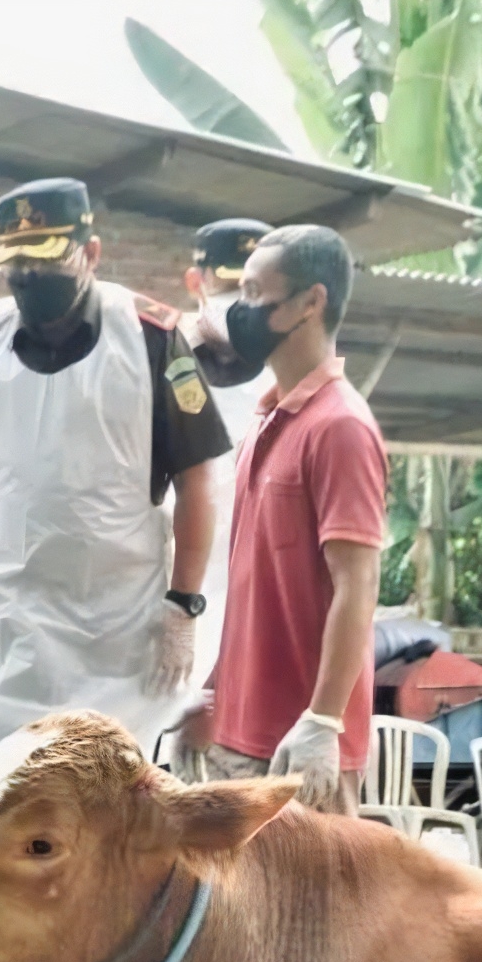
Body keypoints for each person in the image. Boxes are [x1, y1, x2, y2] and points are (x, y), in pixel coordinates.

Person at [0, 177, 230, 828]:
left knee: (98, 814)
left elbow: (196, 481)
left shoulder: (150, 340)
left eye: (48, 257)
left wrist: (183, 605)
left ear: (90, 252)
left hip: (112, 629)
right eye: (17, 263)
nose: (31, 275)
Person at [190, 224, 385, 814]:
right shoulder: (268, 418)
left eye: (254, 294)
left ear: (311, 302)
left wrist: (323, 721)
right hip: (237, 731)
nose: (240, 310)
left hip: (296, 747)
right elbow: (254, 584)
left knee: (312, 909)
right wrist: (210, 693)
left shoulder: (340, 427)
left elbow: (359, 584)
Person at [168, 217, 272, 774]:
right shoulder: (159, 359)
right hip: (173, 584)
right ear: (196, 281)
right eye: (229, 287)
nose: (240, 303)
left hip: (254, 588)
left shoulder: (287, 371)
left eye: (253, 291)